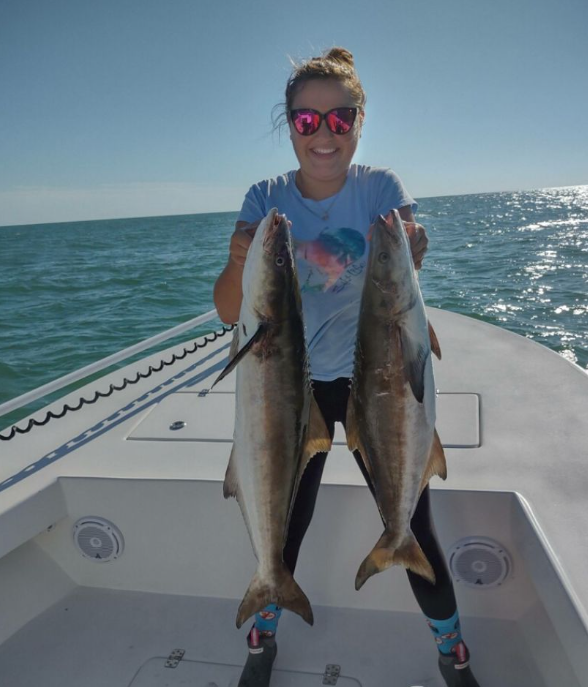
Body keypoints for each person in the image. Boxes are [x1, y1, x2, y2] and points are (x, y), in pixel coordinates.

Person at [213, 47, 481, 687]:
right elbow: (231, 311)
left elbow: (406, 249)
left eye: (340, 118)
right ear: (289, 126)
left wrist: (413, 245)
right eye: (307, 121)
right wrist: (236, 259)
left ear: (360, 123)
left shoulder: (380, 189)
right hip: (290, 385)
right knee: (289, 516)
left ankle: (451, 647)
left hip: (375, 382)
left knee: (413, 519)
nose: (324, 133)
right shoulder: (266, 197)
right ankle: (264, 628)